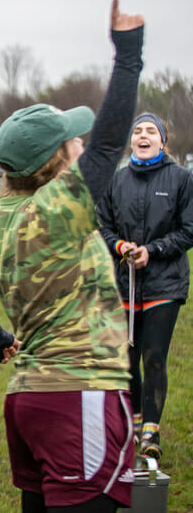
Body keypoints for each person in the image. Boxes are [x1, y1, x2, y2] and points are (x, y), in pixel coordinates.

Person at [0, 0, 144, 512]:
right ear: (53, 161)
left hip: (28, 400)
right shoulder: (60, 204)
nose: (80, 144)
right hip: (77, 394)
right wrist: (128, 56)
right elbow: (109, 145)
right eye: (70, 140)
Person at [97, 112, 193, 460]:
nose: (143, 134)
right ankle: (135, 421)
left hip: (164, 284)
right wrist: (120, 247)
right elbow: (102, 224)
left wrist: (153, 251)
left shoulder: (182, 179)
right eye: (137, 129)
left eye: (151, 130)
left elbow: (189, 229)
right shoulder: (115, 180)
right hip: (124, 284)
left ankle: (150, 429)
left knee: (153, 356)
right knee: (126, 359)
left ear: (162, 141)